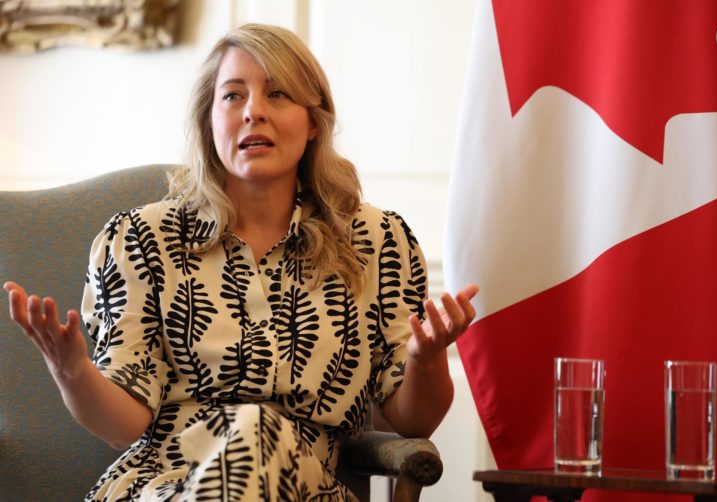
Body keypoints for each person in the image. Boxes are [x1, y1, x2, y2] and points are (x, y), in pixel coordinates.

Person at [4, 23, 478, 501]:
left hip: (304, 487)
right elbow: (125, 425)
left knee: (255, 430)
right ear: (210, 120)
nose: (253, 112)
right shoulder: (141, 240)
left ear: (313, 122)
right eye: (232, 96)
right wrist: (72, 371)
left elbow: (414, 420)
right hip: (163, 486)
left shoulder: (376, 242)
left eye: (277, 94)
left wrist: (427, 356)